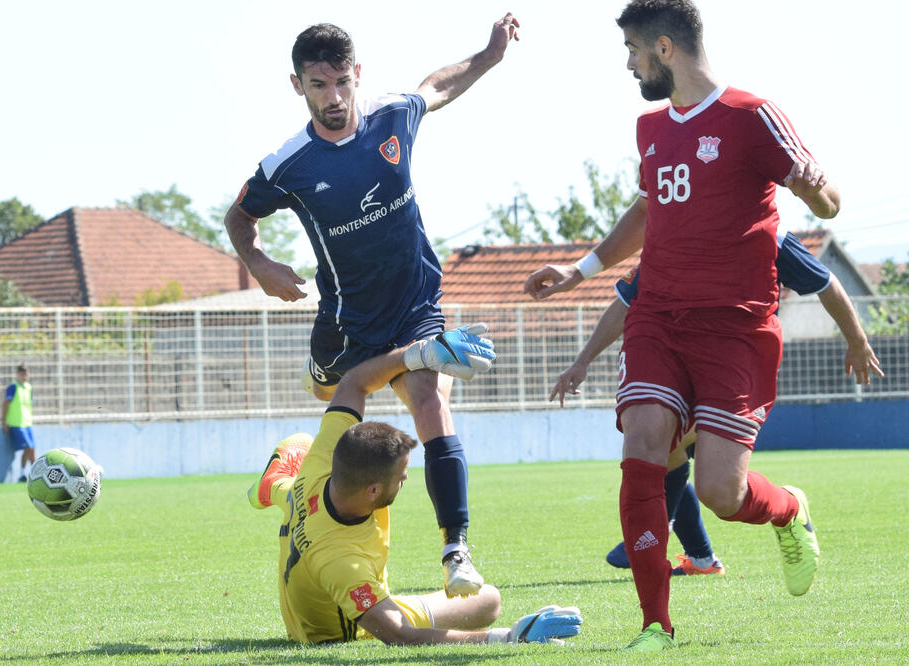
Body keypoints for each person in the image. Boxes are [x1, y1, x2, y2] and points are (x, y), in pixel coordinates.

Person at [524, 0, 842, 650]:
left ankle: (788, 509)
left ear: (664, 49)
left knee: (720, 491)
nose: (629, 65)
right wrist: (577, 270)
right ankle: (654, 626)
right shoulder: (650, 129)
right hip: (659, 319)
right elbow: (644, 213)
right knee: (642, 441)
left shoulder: (752, 116)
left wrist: (813, 191)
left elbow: (829, 199)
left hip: (735, 328)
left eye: (634, 52)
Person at [225, 15, 521, 597]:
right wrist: (259, 265)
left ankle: (455, 548)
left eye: (341, 82)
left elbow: (438, 85)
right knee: (328, 407)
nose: (333, 98)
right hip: (345, 320)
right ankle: (289, 474)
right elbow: (239, 217)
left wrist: (490, 54)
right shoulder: (288, 164)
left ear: (357, 74)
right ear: (297, 86)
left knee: (431, 399)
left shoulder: (392, 116)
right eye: (318, 86)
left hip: (415, 303)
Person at [549, 231, 883, 575]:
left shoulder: (769, 234)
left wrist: (857, 340)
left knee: (717, 488)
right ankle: (695, 554)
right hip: (677, 361)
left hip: (733, 370)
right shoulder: (674, 229)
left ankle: (787, 508)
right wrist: (583, 359)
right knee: (663, 445)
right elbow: (626, 300)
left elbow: (825, 281)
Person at [248, 324, 583, 645]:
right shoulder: (342, 563)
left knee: (298, 484)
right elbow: (398, 635)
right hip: (343, 629)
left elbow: (352, 383)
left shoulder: (325, 460)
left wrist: (420, 354)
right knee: (488, 602)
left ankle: (277, 484)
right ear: (373, 490)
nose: (407, 477)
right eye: (400, 474)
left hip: (308, 515)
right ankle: (277, 485)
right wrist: (509, 637)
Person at [2, 363, 36, 482]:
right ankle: (23, 474)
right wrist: (4, 422)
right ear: (17, 374)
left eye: (26, 373)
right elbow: (5, 404)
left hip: (27, 424)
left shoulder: (29, 387)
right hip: (16, 424)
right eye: (22, 374)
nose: (24, 376)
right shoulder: (13, 387)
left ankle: (35, 474)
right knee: (29, 447)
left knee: (32, 450)